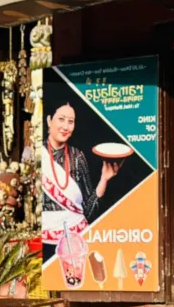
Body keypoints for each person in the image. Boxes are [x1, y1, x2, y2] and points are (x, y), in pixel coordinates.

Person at [42, 102, 121, 249]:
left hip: (74, 242)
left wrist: (103, 179)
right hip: (42, 244)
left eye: (70, 122)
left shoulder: (77, 157)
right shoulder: (36, 155)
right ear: (48, 120)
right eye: (61, 119)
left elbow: (88, 211)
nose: (66, 127)